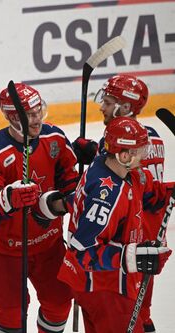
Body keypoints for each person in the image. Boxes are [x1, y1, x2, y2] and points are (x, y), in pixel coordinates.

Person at [0, 83, 79, 332]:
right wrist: (10, 198)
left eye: (38, 112)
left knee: (59, 301)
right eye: (30, 115)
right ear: (12, 117)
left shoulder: (54, 138)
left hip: (49, 242)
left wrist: (71, 198)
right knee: (12, 314)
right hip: (8, 248)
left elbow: (71, 181)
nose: (37, 120)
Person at [58, 117, 172, 333]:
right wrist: (136, 257)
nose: (145, 155)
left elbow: (150, 195)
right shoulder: (107, 195)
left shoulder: (118, 168)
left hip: (100, 283)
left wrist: (170, 190)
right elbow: (85, 250)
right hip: (103, 287)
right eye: (140, 150)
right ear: (124, 155)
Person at [72, 74, 165, 332]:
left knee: (133, 315)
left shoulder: (129, 145)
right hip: (140, 241)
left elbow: (133, 191)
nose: (102, 105)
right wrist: (94, 153)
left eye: (109, 101)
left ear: (126, 108)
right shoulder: (149, 137)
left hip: (130, 245)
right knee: (138, 314)